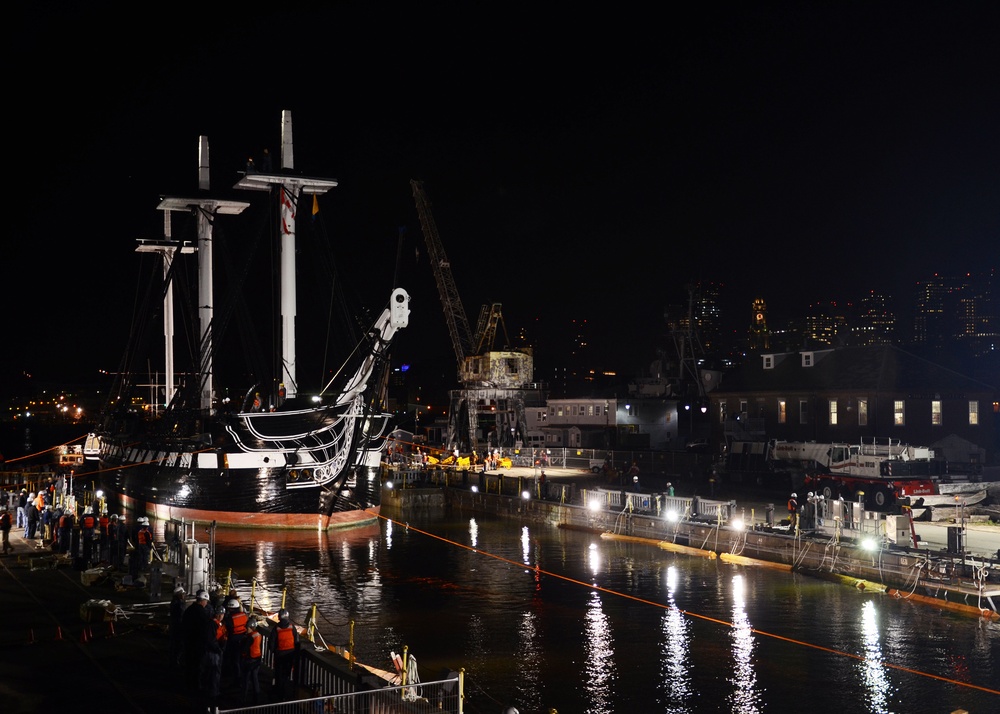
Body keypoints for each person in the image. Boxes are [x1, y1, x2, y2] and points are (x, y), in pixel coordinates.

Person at [181, 590, 214, 693]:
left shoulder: (189, 609)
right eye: (206, 601)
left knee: (189, 664)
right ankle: (197, 686)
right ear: (202, 600)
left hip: (188, 641)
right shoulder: (201, 613)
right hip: (197, 643)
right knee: (198, 665)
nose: (206, 603)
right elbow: (205, 628)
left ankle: (188, 684)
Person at [269, 608, 300, 701]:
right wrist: (296, 654)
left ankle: (280, 694)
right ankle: (284, 693)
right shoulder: (292, 627)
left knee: (279, 674)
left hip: (279, 655)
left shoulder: (276, 628)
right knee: (286, 675)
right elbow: (297, 641)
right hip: (290, 655)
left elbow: (271, 643)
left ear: (279, 617)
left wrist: (274, 651)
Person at [222, 597, 249, 685]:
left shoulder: (230, 618)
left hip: (234, 640)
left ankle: (237, 679)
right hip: (243, 639)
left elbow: (227, 629)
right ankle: (243, 677)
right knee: (242, 659)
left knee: (235, 660)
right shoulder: (244, 615)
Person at [241, 621, 264, 704]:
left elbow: (244, 649)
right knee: (255, 679)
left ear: (251, 628)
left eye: (247, 628)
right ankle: (257, 698)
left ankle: (243, 699)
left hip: (249, 660)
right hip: (257, 659)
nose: (246, 629)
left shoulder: (250, 637)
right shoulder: (258, 635)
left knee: (246, 680)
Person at [169, 586, 187, 670]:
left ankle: (174, 660)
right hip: (178, 626)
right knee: (179, 644)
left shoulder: (174, 602)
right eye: (182, 594)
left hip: (174, 626)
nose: (184, 595)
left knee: (174, 644)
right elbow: (182, 615)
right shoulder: (179, 604)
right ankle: (176, 661)